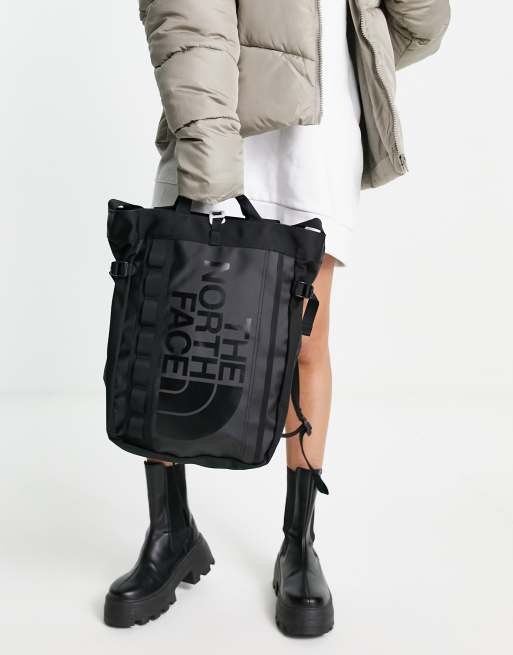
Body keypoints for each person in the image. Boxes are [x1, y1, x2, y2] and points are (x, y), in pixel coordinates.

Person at [103, 0, 450, 637]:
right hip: (223, 113)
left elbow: (414, 23)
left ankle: (299, 542)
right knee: (175, 324)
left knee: (306, 343)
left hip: (323, 122)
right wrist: (211, 154)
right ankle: (170, 531)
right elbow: (185, 14)